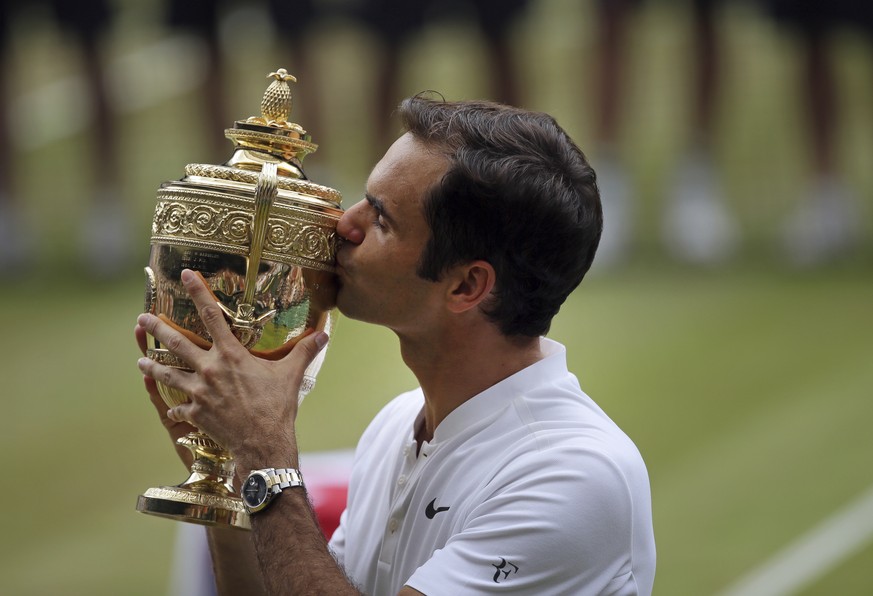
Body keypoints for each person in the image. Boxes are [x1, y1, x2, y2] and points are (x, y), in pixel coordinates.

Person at [136, 97, 656, 595]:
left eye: (381, 219)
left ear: (466, 286)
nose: (345, 223)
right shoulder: (395, 427)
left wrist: (265, 453)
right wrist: (224, 467)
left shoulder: (571, 477)